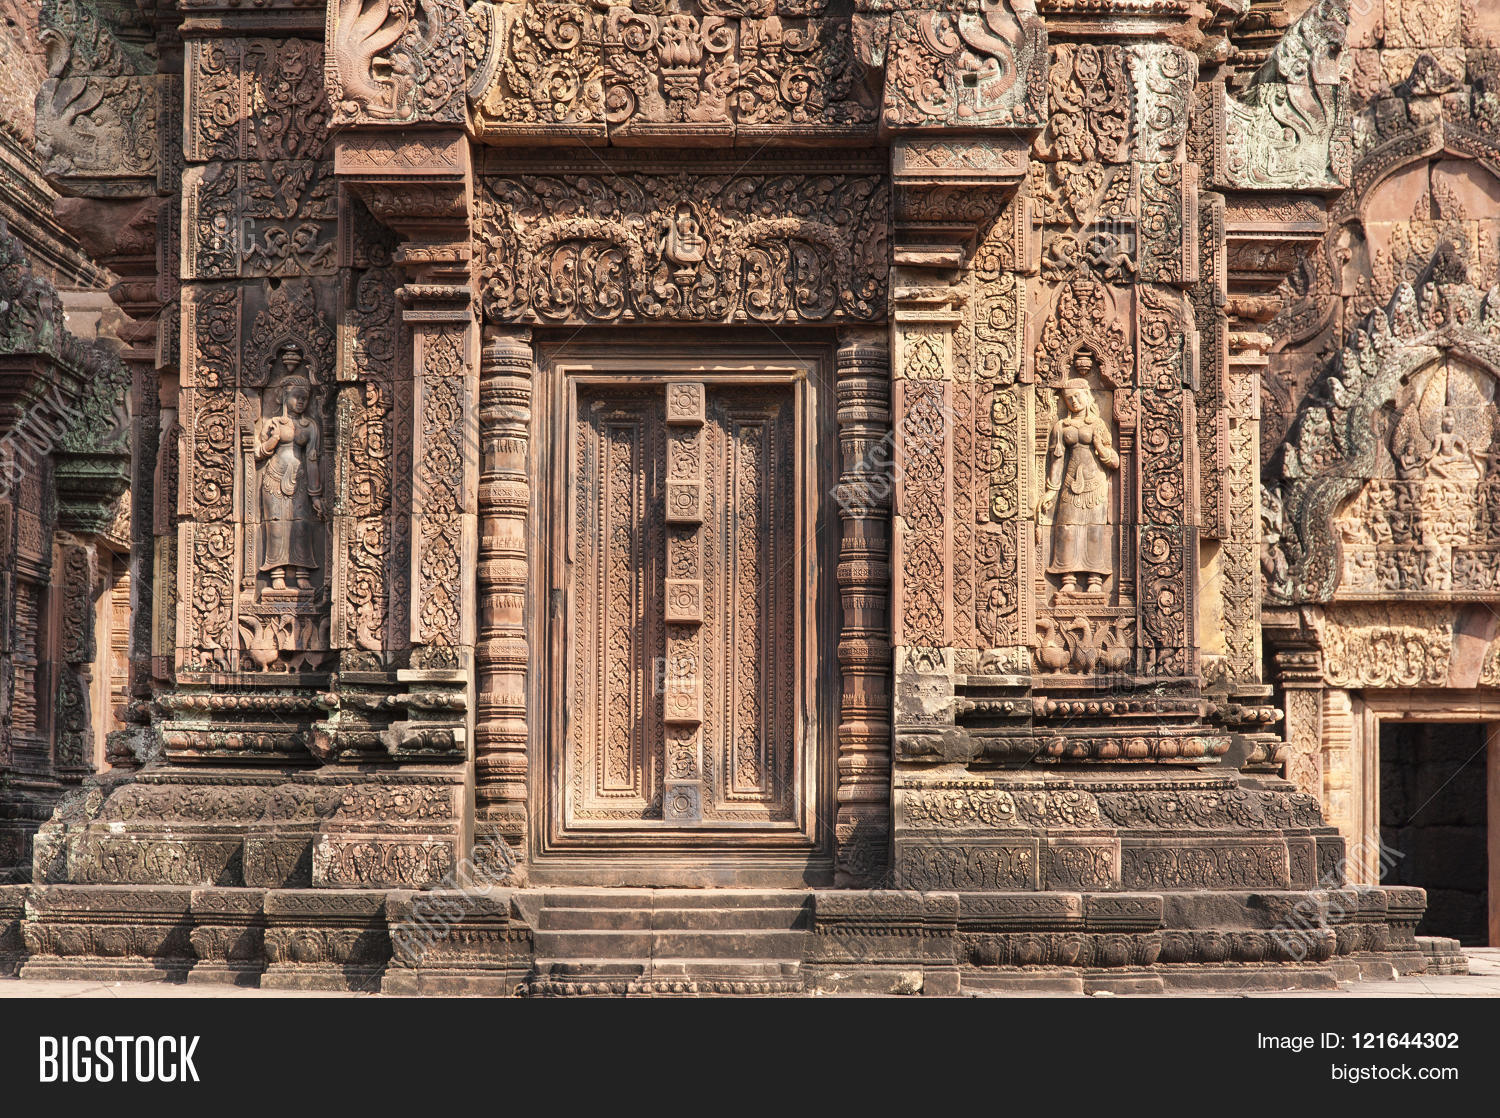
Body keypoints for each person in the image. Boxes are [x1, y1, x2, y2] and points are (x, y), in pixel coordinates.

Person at [1039, 360, 1119, 593]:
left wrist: (1101, 448)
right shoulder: (1061, 426)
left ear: (1087, 396)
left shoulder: (1098, 425)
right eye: (1069, 399)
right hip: (1070, 483)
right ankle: (1068, 578)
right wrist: (1051, 491)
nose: (1074, 402)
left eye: (1077, 397)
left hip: (1095, 485)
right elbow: (1056, 460)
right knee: (1066, 528)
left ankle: (1094, 579)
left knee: (1093, 530)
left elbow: (1113, 460)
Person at [255, 346, 323, 591]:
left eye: (305, 398)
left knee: (301, 526)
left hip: (300, 480)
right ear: (284, 397)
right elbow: (257, 452)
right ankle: (276, 573)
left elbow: (313, 459)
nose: (302, 402)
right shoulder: (273, 423)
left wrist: (316, 496)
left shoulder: (310, 426)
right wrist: (273, 440)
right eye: (297, 397)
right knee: (276, 525)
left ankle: (303, 572)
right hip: (273, 479)